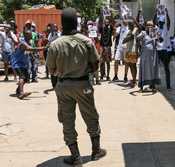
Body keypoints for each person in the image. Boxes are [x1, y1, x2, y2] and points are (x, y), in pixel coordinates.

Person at [46, 8, 106, 165]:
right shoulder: (86, 41)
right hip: (83, 84)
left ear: (62, 23)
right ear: (76, 23)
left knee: (67, 120)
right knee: (91, 116)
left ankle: (76, 156)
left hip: (63, 86)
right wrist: (85, 70)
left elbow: (51, 70)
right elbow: (96, 64)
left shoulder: (55, 44)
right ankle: (96, 151)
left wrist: (63, 71)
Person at [12, 30, 44, 99]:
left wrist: (33, 56)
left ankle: (18, 90)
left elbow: (29, 52)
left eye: (31, 35)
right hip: (17, 64)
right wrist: (43, 48)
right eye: (29, 35)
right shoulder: (23, 43)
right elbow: (31, 49)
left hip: (23, 64)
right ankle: (21, 93)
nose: (31, 36)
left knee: (26, 79)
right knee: (22, 77)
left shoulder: (28, 42)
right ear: (26, 35)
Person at [137, 21, 160, 92]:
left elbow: (159, 41)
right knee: (143, 69)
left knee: (152, 69)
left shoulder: (154, 33)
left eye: (151, 26)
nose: (150, 27)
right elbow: (137, 38)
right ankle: (141, 86)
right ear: (146, 26)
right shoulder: (143, 33)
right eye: (148, 25)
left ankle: (152, 85)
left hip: (153, 54)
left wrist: (157, 37)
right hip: (144, 55)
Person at [156, 7, 172, 89]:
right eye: (160, 22)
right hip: (158, 50)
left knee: (166, 68)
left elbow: (169, 23)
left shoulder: (166, 28)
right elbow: (153, 22)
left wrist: (167, 13)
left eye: (162, 22)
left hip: (165, 50)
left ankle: (168, 85)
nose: (161, 23)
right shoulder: (156, 29)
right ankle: (154, 83)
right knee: (155, 67)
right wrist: (156, 13)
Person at [122, 21, 138, 88]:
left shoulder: (135, 30)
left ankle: (134, 81)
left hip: (132, 50)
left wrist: (125, 39)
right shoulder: (129, 31)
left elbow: (130, 37)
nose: (128, 26)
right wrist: (125, 39)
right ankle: (133, 80)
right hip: (128, 50)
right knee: (130, 66)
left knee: (133, 65)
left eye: (129, 25)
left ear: (131, 25)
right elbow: (125, 40)